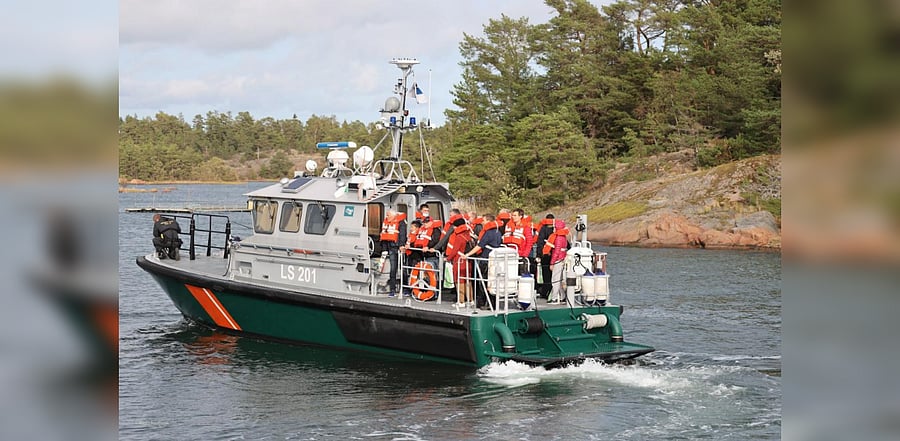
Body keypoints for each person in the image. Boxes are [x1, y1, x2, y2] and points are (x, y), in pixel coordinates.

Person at [465, 214, 502, 309]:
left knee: (483, 281)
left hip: (486, 259)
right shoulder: (498, 232)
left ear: (488, 221)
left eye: (484, 220)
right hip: (495, 259)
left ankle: (483, 302)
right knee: (493, 282)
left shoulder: (488, 233)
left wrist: (467, 254)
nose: (482, 222)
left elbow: (479, 246)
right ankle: (493, 303)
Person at [444, 216, 474, 307]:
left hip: (459, 261)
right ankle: (470, 300)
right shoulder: (468, 234)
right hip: (468, 260)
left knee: (459, 280)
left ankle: (461, 301)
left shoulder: (459, 236)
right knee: (468, 280)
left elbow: (455, 250)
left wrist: (448, 258)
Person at [379, 209, 407, 297]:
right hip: (391, 248)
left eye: (388, 215)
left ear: (393, 216)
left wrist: (401, 245)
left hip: (398, 248)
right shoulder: (386, 223)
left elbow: (402, 235)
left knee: (403, 269)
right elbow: (384, 236)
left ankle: (405, 288)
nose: (386, 217)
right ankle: (392, 289)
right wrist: (384, 249)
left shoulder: (401, 223)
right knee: (393, 269)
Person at [502, 208, 534, 275]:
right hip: (509, 255)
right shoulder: (508, 226)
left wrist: (525, 255)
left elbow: (529, 242)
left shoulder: (526, 227)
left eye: (515, 215)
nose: (513, 217)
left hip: (520, 255)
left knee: (521, 275)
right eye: (512, 215)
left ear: (520, 216)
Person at [546, 219, 569, 303]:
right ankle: (563, 297)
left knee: (555, 279)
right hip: (562, 258)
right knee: (560, 279)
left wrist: (552, 263)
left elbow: (556, 251)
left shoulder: (558, 238)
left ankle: (554, 298)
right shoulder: (563, 237)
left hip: (558, 260)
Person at [534, 214, 556, 298]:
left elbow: (540, 242)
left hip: (545, 255)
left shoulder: (543, 229)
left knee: (545, 274)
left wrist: (538, 255)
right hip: (555, 255)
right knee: (554, 275)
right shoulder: (556, 229)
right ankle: (553, 291)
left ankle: (546, 291)